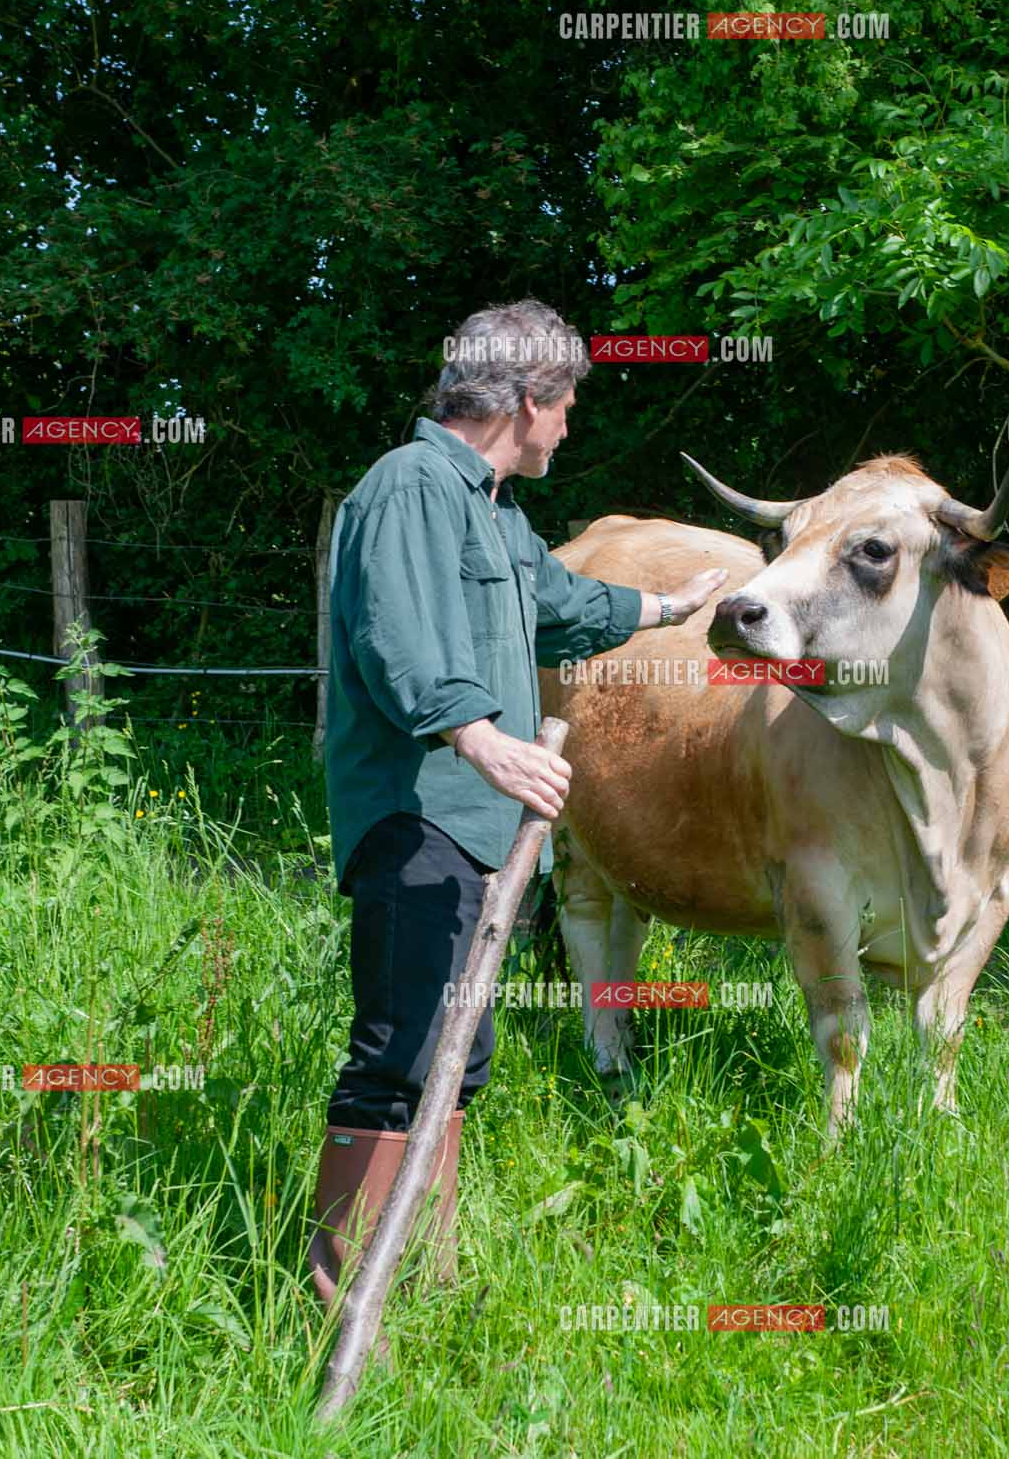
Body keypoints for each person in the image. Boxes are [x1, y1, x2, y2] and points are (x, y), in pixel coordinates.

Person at [310, 298, 728, 1305]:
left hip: (474, 830)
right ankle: (338, 1296)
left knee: (460, 1055)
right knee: (402, 1055)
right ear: (528, 397)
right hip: (420, 819)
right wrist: (484, 738)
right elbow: (396, 641)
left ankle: (413, 1285)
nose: (571, 421)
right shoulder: (408, 487)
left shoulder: (491, 509)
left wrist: (669, 608)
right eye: (568, 400)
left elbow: (561, 605)